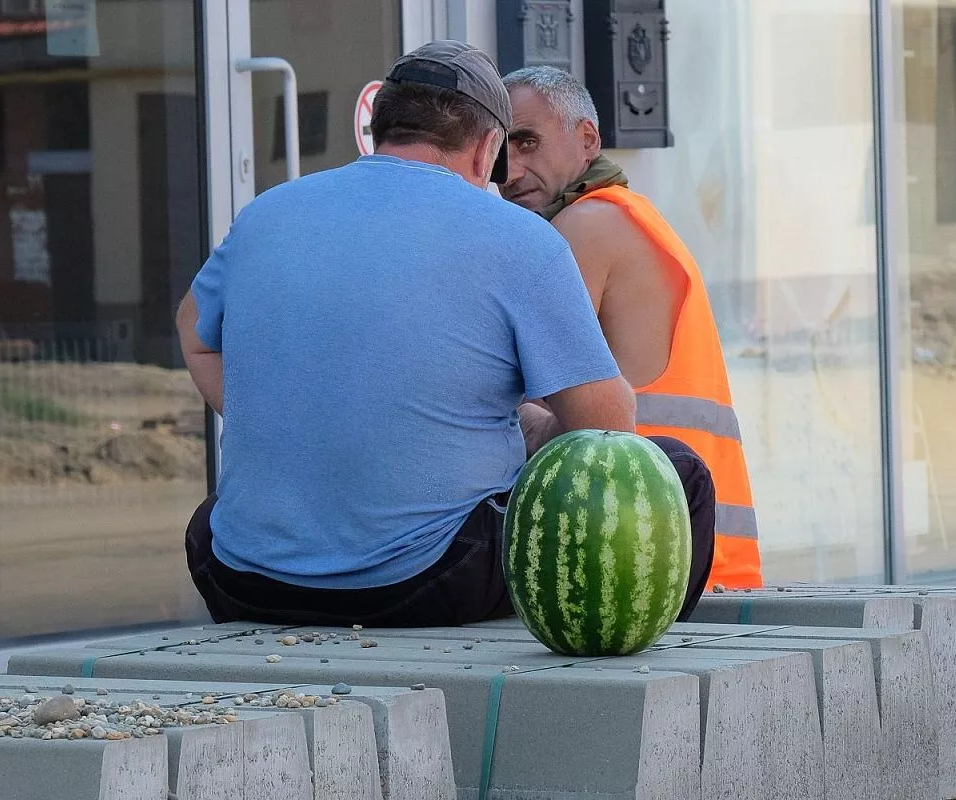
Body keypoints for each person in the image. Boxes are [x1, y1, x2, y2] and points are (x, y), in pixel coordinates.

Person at [174, 40, 636, 628]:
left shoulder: (267, 212)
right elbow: (609, 427)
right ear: (487, 147)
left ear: (378, 129)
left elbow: (195, 333)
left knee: (220, 515)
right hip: (428, 580)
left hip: (244, 581)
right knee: (680, 471)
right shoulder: (521, 239)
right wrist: (532, 427)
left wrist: (292, 420)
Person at [500, 65, 764, 592]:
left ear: (587, 140)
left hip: (644, 549)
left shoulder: (584, 226)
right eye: (499, 151)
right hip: (702, 557)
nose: (509, 171)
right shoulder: (635, 216)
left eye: (527, 141)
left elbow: (518, 400)